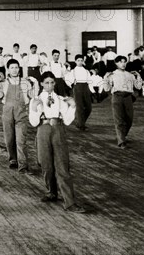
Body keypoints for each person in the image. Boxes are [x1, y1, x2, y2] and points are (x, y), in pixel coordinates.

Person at [29, 72, 86, 213]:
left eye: (52, 82)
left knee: (62, 166)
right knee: (45, 164)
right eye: (47, 83)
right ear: (41, 84)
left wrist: (72, 107)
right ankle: (52, 192)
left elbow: (66, 121)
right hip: (42, 131)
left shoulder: (61, 99)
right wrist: (34, 109)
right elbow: (33, 122)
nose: (50, 85)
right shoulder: (35, 100)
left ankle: (70, 202)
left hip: (58, 131)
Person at [0, 59, 39, 171]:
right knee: (9, 138)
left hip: (21, 112)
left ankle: (23, 164)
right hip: (7, 112)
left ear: (19, 69)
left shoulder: (25, 82)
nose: (14, 70)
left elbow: (33, 95)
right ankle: (13, 159)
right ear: (8, 69)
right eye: (12, 67)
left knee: (21, 139)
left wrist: (36, 83)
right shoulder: (4, 82)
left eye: (16, 67)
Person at [102, 56, 143, 149]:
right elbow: (106, 88)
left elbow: (139, 87)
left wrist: (138, 76)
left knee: (129, 119)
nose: (123, 64)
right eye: (120, 62)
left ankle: (122, 136)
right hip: (117, 97)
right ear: (116, 63)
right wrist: (105, 78)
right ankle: (121, 141)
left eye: (124, 62)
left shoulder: (130, 75)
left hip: (128, 97)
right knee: (119, 119)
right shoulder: (112, 75)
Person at [65, 55, 92, 131]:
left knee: (88, 108)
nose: (80, 62)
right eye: (78, 60)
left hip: (86, 87)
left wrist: (92, 90)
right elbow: (67, 79)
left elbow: (89, 81)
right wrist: (72, 85)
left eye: (81, 60)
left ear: (83, 61)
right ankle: (81, 125)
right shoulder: (73, 71)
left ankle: (81, 122)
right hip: (77, 87)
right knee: (79, 107)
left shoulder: (86, 71)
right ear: (75, 61)